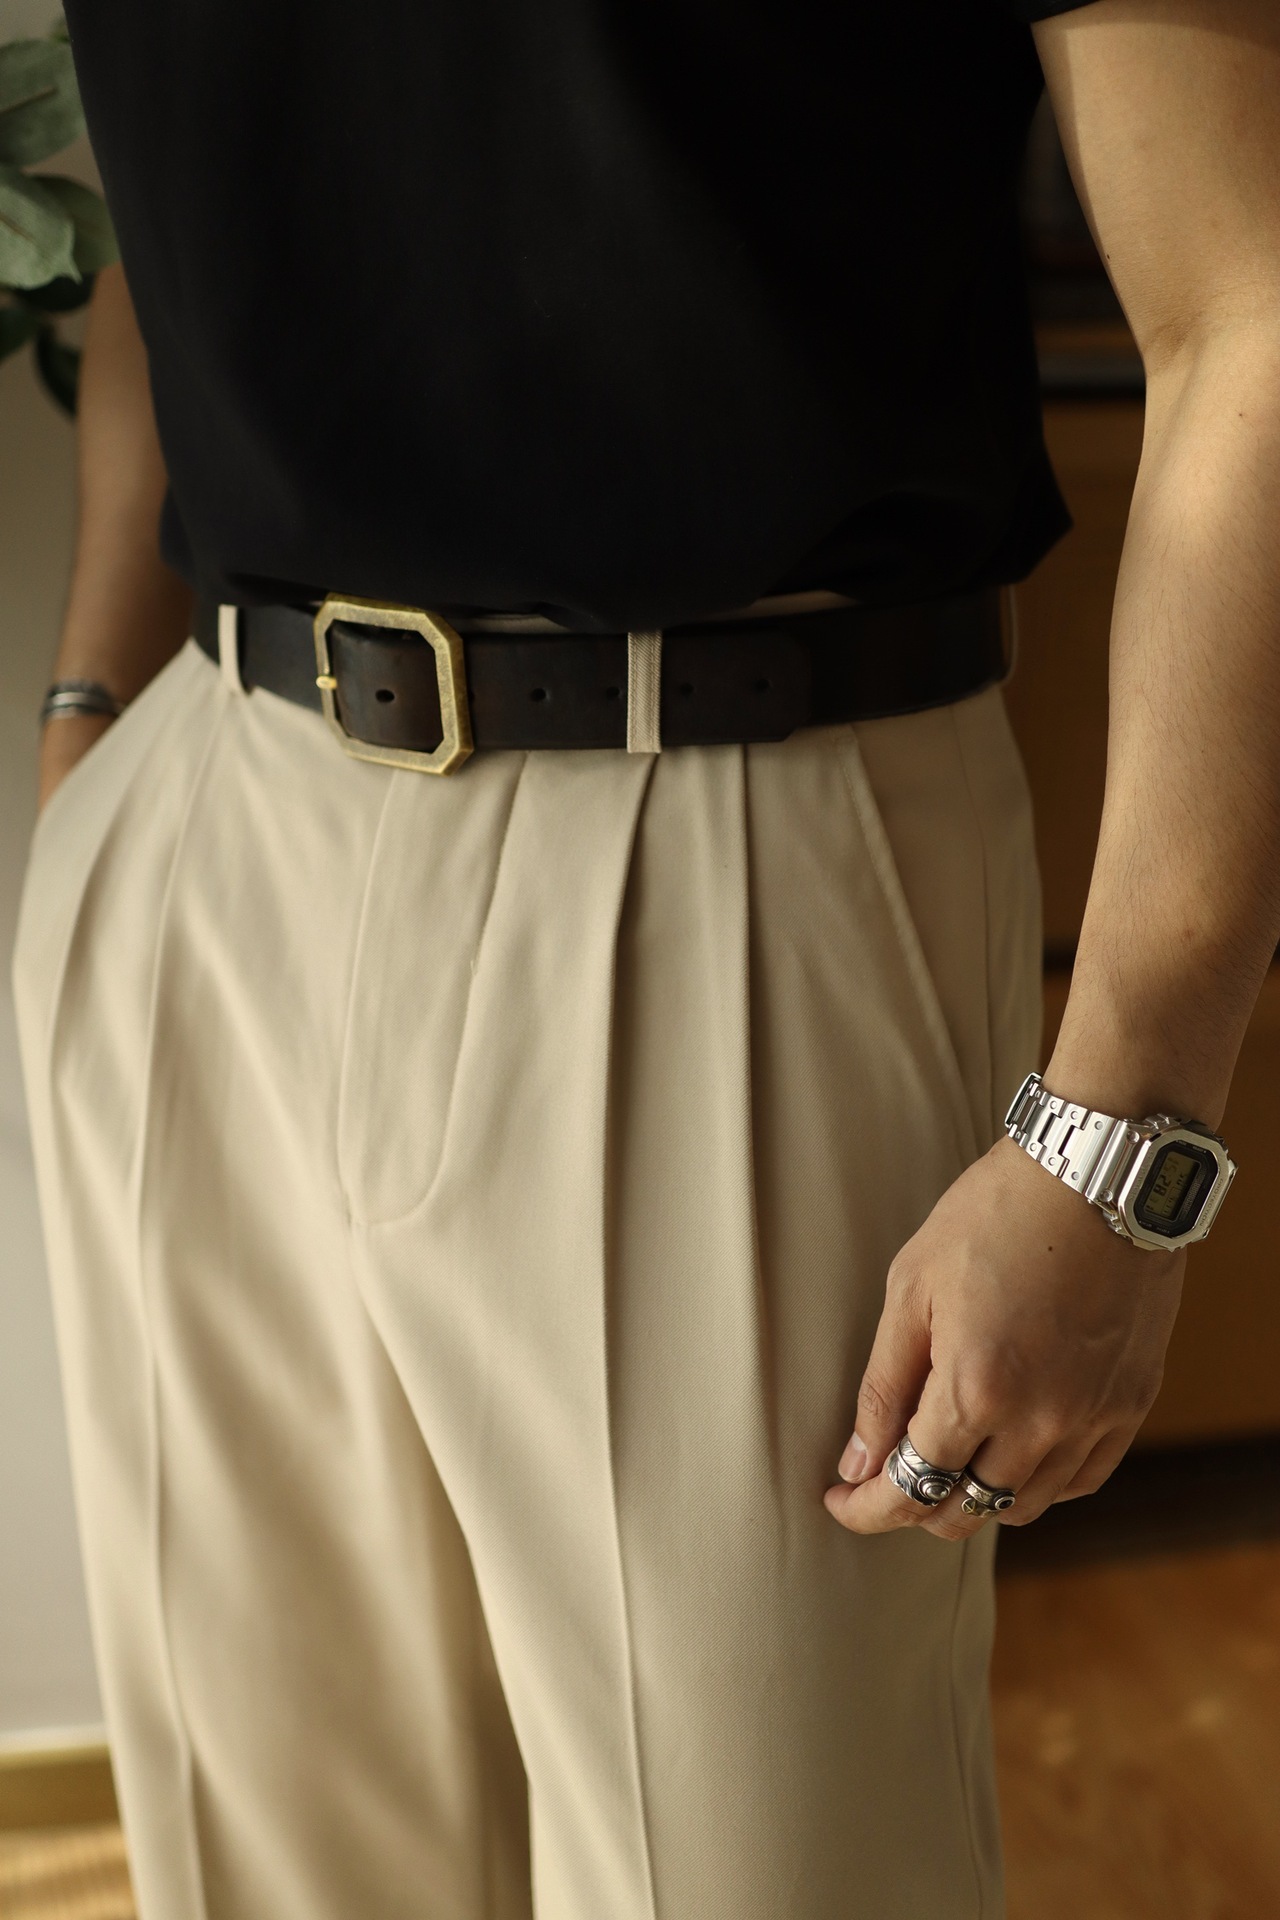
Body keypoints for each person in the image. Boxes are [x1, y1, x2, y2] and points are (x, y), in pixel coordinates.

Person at [13, 2, 1280, 1915]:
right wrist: (94, 695)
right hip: (214, 807)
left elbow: (1250, 308)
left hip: (724, 837)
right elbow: (156, 190)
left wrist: (1128, 1127)